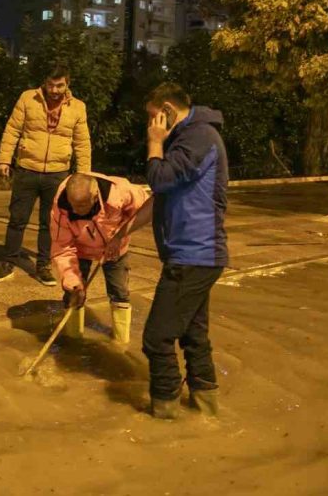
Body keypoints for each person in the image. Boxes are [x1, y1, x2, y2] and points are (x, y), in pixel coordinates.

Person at [141, 83, 228, 420]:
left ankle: (164, 417)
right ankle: (206, 410)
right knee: (193, 335)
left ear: (166, 110)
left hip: (194, 255)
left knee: (156, 339)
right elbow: (164, 195)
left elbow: (160, 178)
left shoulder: (198, 137)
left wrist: (154, 143)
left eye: (153, 118)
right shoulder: (192, 137)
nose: (150, 125)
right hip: (195, 255)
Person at [0, 66, 91, 286]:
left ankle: (43, 265)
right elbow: (12, 130)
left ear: (67, 84)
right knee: (17, 219)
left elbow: (82, 142)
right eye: (51, 85)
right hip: (27, 169)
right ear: (44, 82)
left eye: (60, 85)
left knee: (50, 223)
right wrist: (4, 159)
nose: (55, 90)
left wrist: (83, 175)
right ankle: (8, 262)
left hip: (57, 173)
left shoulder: (78, 107)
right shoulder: (28, 98)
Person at [51, 173, 152, 343]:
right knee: (73, 294)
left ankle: (121, 343)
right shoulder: (60, 207)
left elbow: (146, 207)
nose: (75, 210)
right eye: (72, 204)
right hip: (80, 248)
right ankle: (73, 340)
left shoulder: (120, 191)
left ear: (95, 196)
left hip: (115, 247)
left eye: (82, 205)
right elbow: (62, 248)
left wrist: (120, 235)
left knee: (119, 291)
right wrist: (74, 283)